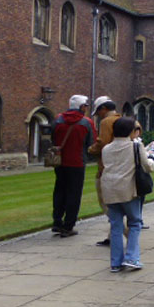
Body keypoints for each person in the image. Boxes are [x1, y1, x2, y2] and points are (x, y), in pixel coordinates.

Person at [100, 117, 154, 272]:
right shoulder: (136, 146)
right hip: (128, 189)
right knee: (135, 223)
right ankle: (132, 258)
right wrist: (151, 155)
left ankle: (115, 263)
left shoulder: (106, 148)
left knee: (116, 226)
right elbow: (148, 167)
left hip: (110, 189)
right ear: (131, 131)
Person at [51, 94, 96, 238]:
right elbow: (92, 143)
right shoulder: (86, 122)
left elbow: (53, 138)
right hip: (77, 162)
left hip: (59, 162)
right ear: (82, 107)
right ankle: (68, 225)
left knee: (59, 191)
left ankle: (57, 222)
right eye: (85, 106)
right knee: (74, 194)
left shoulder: (58, 119)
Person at [88, 96, 120, 246]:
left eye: (98, 112)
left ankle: (126, 231)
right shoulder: (123, 120)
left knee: (106, 204)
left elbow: (103, 144)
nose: (98, 115)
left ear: (104, 109)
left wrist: (91, 149)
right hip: (121, 167)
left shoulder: (106, 121)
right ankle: (112, 236)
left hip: (106, 167)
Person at [131, 122, 154, 229]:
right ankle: (136, 221)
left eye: (138, 130)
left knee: (140, 199)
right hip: (136, 175)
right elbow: (143, 161)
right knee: (136, 200)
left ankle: (139, 219)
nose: (137, 132)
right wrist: (150, 155)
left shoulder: (138, 142)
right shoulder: (135, 144)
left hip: (139, 174)